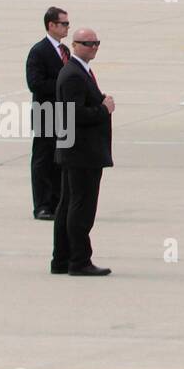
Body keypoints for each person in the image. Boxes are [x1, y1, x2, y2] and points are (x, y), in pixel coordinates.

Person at [51, 27, 114, 276]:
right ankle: (79, 260)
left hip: (77, 152)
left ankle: (62, 259)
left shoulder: (79, 72)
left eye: (96, 43)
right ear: (75, 45)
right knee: (81, 206)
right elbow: (73, 114)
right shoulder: (74, 75)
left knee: (68, 204)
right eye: (88, 43)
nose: (94, 47)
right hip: (82, 153)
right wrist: (104, 109)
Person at [25, 6, 70, 219]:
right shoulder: (39, 51)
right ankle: (42, 205)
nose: (67, 27)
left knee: (60, 160)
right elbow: (35, 84)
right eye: (64, 24)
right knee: (43, 160)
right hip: (46, 112)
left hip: (64, 113)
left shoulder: (65, 51)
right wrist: (63, 85)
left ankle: (57, 201)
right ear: (51, 25)